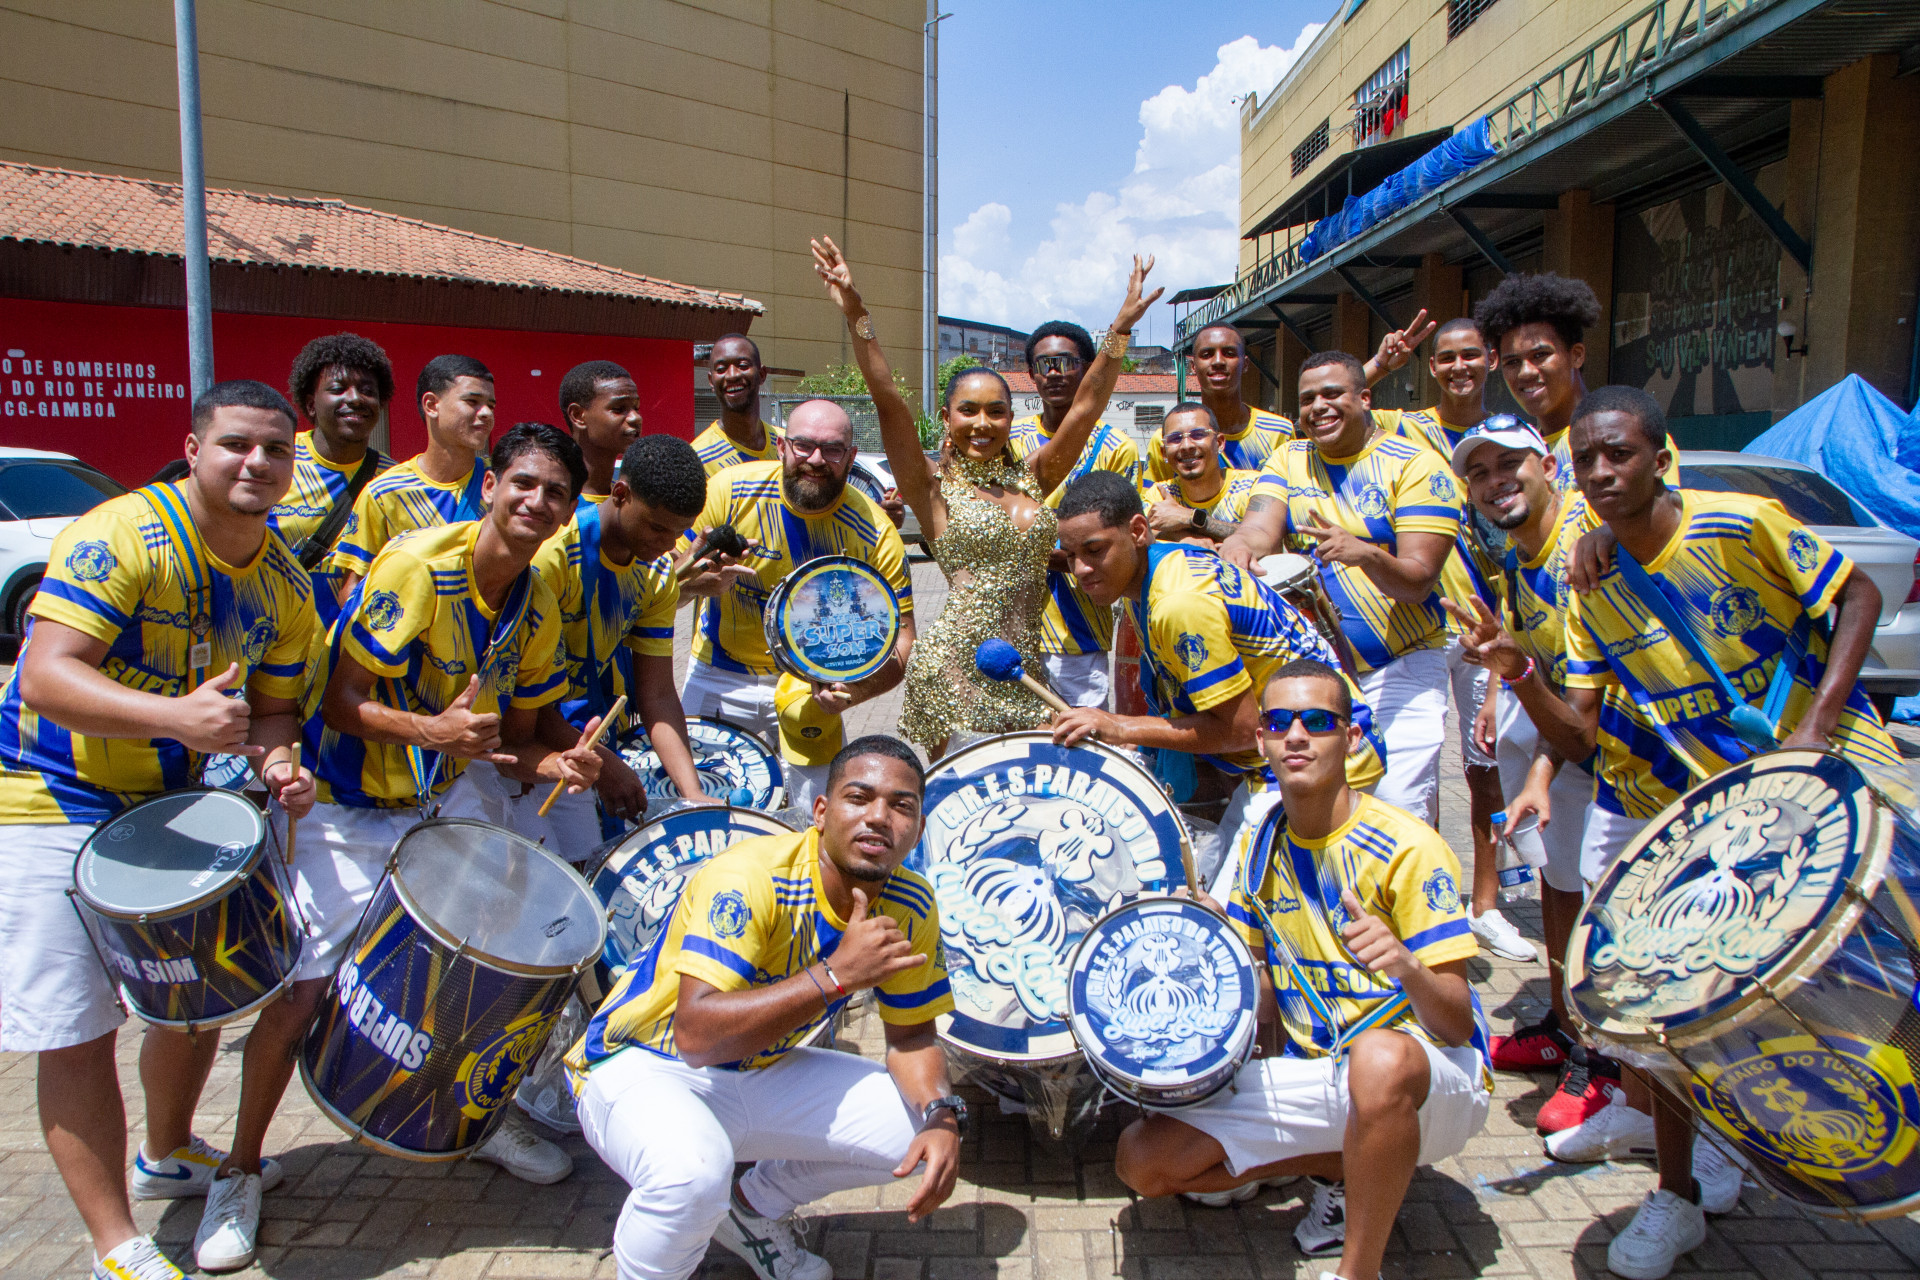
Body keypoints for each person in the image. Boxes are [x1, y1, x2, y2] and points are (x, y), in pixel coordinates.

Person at [1456, 387, 1898, 1278]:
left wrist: (1818, 725)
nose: (1602, 473)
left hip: (1829, 779)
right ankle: (1679, 1188)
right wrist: (1520, 672)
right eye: (1588, 460)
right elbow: (1579, 727)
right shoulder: (1591, 582)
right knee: (1648, 1000)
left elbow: (1861, 597)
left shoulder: (1742, 523)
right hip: (1700, 813)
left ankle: (1844, 1134)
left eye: (1618, 454)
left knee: (1866, 971)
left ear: (1662, 456)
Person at [187, 424, 609, 1271]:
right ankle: (238, 1172)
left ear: (568, 514)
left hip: (439, 794)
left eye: (556, 494)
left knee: (464, 973)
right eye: (522, 483)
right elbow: (340, 703)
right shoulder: (419, 563)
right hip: (346, 803)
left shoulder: (535, 599)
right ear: (490, 486)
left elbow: (510, 742)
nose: (536, 502)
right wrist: (433, 728)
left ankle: (464, 1124)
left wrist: (558, 760)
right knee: (303, 995)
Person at [0, 380, 318, 1280]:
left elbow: (275, 712)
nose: (256, 463)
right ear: (193, 449)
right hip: (47, 793)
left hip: (163, 805)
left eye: (274, 451)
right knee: (75, 1026)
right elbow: (45, 679)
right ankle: (116, 1243)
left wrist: (280, 766)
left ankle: (168, 1150)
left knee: (196, 994)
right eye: (236, 446)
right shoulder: (120, 536)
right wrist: (175, 719)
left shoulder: (284, 581)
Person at [1113, 659, 1489, 1280]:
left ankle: (1356, 1269)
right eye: (1279, 721)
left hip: (1431, 1077)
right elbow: (1256, 978)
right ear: (1259, 740)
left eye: (1317, 721)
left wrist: (1406, 966)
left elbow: (1455, 1021)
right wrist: (1208, 940)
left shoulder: (1410, 847)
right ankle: (1341, 1164)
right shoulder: (1262, 842)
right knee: (1142, 1160)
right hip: (1323, 1069)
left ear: (1352, 736)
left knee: (1379, 1058)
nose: (1296, 736)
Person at [565, 734, 963, 1280]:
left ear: (917, 828)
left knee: (911, 1131)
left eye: (901, 806)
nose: (878, 818)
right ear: (820, 811)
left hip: (755, 1066)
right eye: (859, 797)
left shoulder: (911, 902)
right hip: (641, 1065)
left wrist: (943, 1116)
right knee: (692, 1176)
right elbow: (697, 1037)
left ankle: (751, 1211)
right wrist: (835, 976)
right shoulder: (752, 876)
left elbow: (912, 1038)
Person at [814, 236, 1157, 751]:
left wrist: (1120, 329)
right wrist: (857, 314)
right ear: (947, 420)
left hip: (1022, 668)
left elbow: (1085, 408)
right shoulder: (931, 489)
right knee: (947, 808)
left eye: (996, 411)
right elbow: (887, 397)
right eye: (968, 410)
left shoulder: (1032, 477)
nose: (983, 423)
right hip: (953, 674)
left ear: (1010, 418)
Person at [1048, 472, 1385, 885]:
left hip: (1322, 756)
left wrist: (1118, 726)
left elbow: (1242, 730)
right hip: (1280, 758)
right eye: (1069, 556)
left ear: (1137, 531)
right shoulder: (1152, 572)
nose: (1080, 569)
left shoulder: (1177, 603)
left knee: (1232, 913)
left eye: (1094, 550)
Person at [1442, 419, 1606, 1131]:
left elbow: (1590, 696)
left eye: (1510, 464)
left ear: (1548, 465)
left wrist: (1539, 765)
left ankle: (1607, 1065)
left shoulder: (1585, 543)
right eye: (1480, 473)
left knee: (1607, 903)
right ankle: (1569, 1028)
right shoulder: (1518, 549)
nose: (1495, 482)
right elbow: (1525, 644)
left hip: (1619, 752)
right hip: (1566, 739)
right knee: (1558, 882)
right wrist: (1496, 698)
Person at [1219, 351, 1463, 827]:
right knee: (1313, 802)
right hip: (1320, 671)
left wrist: (1366, 554)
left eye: (1333, 394)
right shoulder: (1289, 457)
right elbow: (1259, 526)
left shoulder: (1416, 465)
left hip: (1403, 665)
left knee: (1394, 802)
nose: (1319, 407)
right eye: (1308, 399)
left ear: (1365, 397)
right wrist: (1239, 547)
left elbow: (1419, 581)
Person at [456, 433, 712, 857]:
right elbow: (519, 700)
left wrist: (692, 794)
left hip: (578, 748)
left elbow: (658, 692)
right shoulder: (551, 558)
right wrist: (608, 766)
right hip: (509, 747)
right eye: (656, 527)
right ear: (620, 494)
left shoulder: (657, 574)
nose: (668, 545)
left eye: (679, 533)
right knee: (522, 886)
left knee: (586, 869)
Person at [677, 394, 914, 799]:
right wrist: (688, 586)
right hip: (718, 671)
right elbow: (657, 590)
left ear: (852, 455)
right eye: (803, 445)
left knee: (816, 820)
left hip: (811, 688)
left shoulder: (875, 533)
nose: (816, 459)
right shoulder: (728, 492)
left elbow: (902, 642)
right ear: (783, 445)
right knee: (704, 811)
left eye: (833, 449)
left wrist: (849, 693)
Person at [1375, 319, 1521, 960]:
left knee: (1488, 768)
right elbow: (1338, 403)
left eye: (1471, 355)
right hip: (1432, 624)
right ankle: (1428, 899)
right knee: (1426, 776)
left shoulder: (1513, 438)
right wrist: (1381, 362)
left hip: (1501, 624)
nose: (1459, 367)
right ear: (1429, 368)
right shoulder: (1406, 428)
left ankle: (1486, 905)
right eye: (1446, 359)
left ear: (1491, 360)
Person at [1006, 319, 1142, 708]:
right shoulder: (1009, 443)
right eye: (1043, 363)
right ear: (1030, 373)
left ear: (1086, 369)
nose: (1054, 373)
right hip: (1010, 631)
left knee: (1080, 757)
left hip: (1079, 636)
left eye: (1066, 362)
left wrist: (1030, 550)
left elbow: (1119, 551)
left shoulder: (1116, 448)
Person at [330, 353, 496, 602]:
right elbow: (352, 589)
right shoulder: (385, 493)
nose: (486, 413)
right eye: (472, 401)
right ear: (431, 405)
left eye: (491, 405)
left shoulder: (503, 482)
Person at [267, 332, 396, 625]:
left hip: (351, 651)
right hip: (276, 645)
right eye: (339, 389)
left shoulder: (394, 481)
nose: (354, 398)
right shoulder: (275, 461)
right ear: (311, 404)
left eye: (367, 390)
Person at [1143, 324, 1293, 483]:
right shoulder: (1169, 440)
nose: (1218, 361)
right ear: (1193, 366)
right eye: (1207, 355)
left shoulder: (1278, 433)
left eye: (1229, 353)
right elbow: (1153, 502)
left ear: (1246, 364)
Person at [1142, 402, 1262, 547]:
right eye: (1175, 438)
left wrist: (1190, 517)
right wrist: (1181, 538)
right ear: (1164, 453)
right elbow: (1141, 536)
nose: (1187, 446)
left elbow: (1262, 538)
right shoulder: (1160, 495)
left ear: (1219, 443)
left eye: (1198, 435)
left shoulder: (1252, 487)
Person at [694, 334, 781, 475]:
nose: (732, 375)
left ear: (762, 374)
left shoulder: (787, 446)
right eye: (721, 369)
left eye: (743, 366)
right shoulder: (699, 460)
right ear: (711, 381)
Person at [560, 360, 645, 502]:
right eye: (618, 409)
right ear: (578, 415)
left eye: (636, 408)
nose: (636, 418)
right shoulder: (555, 507)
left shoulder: (631, 502)